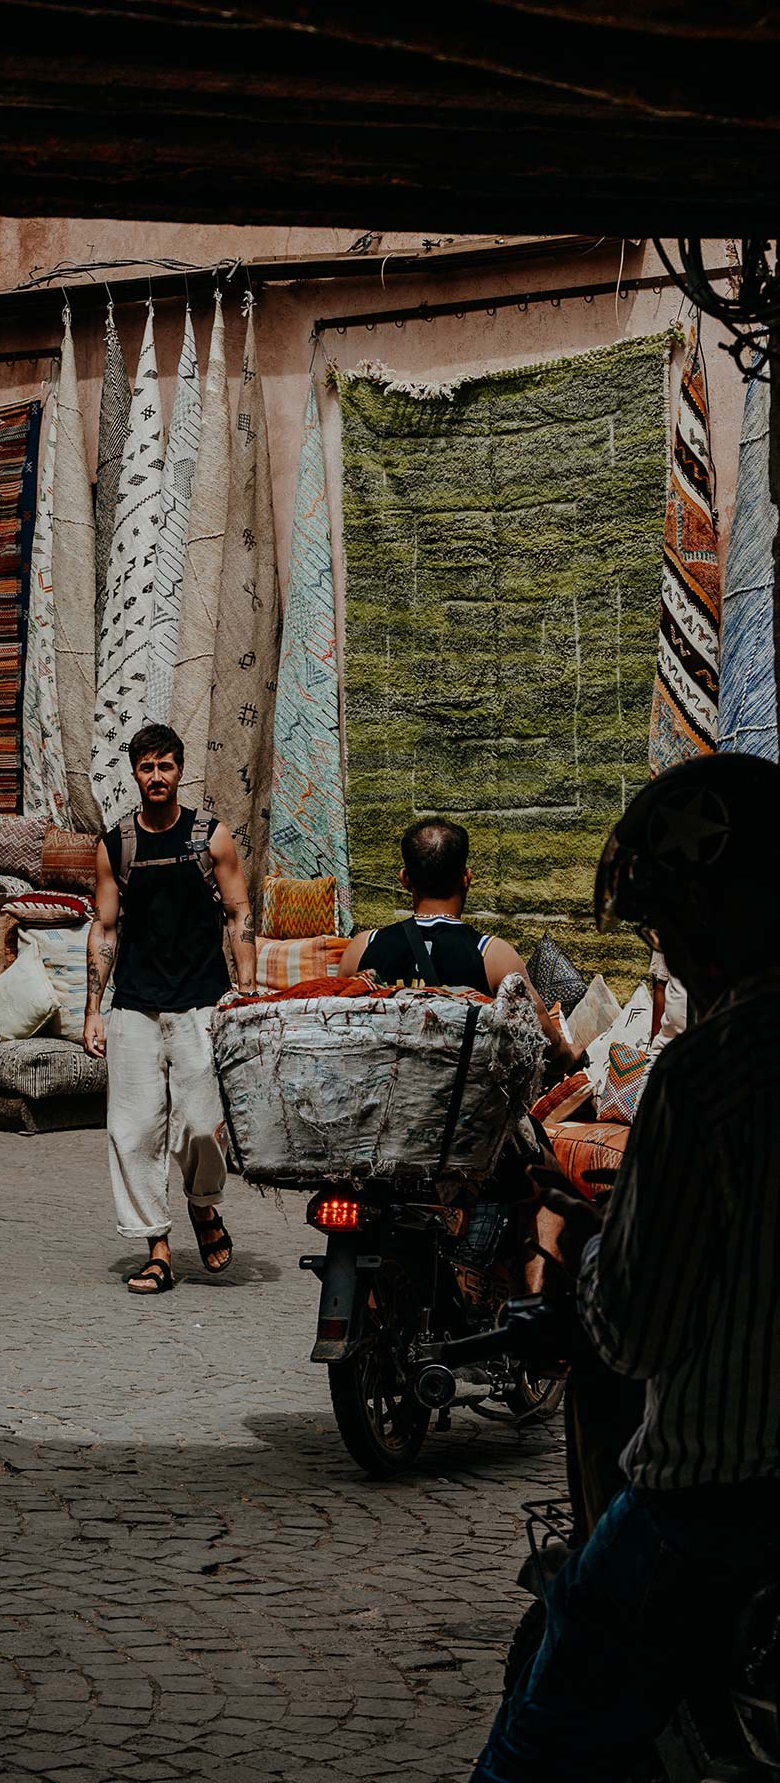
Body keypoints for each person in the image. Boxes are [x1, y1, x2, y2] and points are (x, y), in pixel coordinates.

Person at [470, 751, 780, 1783]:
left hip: (718, 1496)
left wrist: (581, 1247)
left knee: (537, 1746)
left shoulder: (709, 1075)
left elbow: (637, 1329)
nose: (674, 951)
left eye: (673, 922)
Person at [83, 724, 256, 1296]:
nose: (156, 777)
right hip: (134, 1006)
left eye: (166, 767)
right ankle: (156, 1245)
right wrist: (93, 1010)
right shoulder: (116, 846)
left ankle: (203, 1208)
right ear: (133, 774)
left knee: (203, 1127)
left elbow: (239, 914)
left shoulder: (211, 838)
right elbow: (105, 928)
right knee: (131, 1131)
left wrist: (247, 994)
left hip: (202, 1003)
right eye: (146, 767)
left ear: (181, 771)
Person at [339, 816, 585, 1069]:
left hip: (381, 1101)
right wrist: (570, 1055)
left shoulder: (362, 947)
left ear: (404, 879)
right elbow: (544, 1039)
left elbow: (336, 1030)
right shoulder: (493, 956)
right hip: (460, 1106)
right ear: (467, 878)